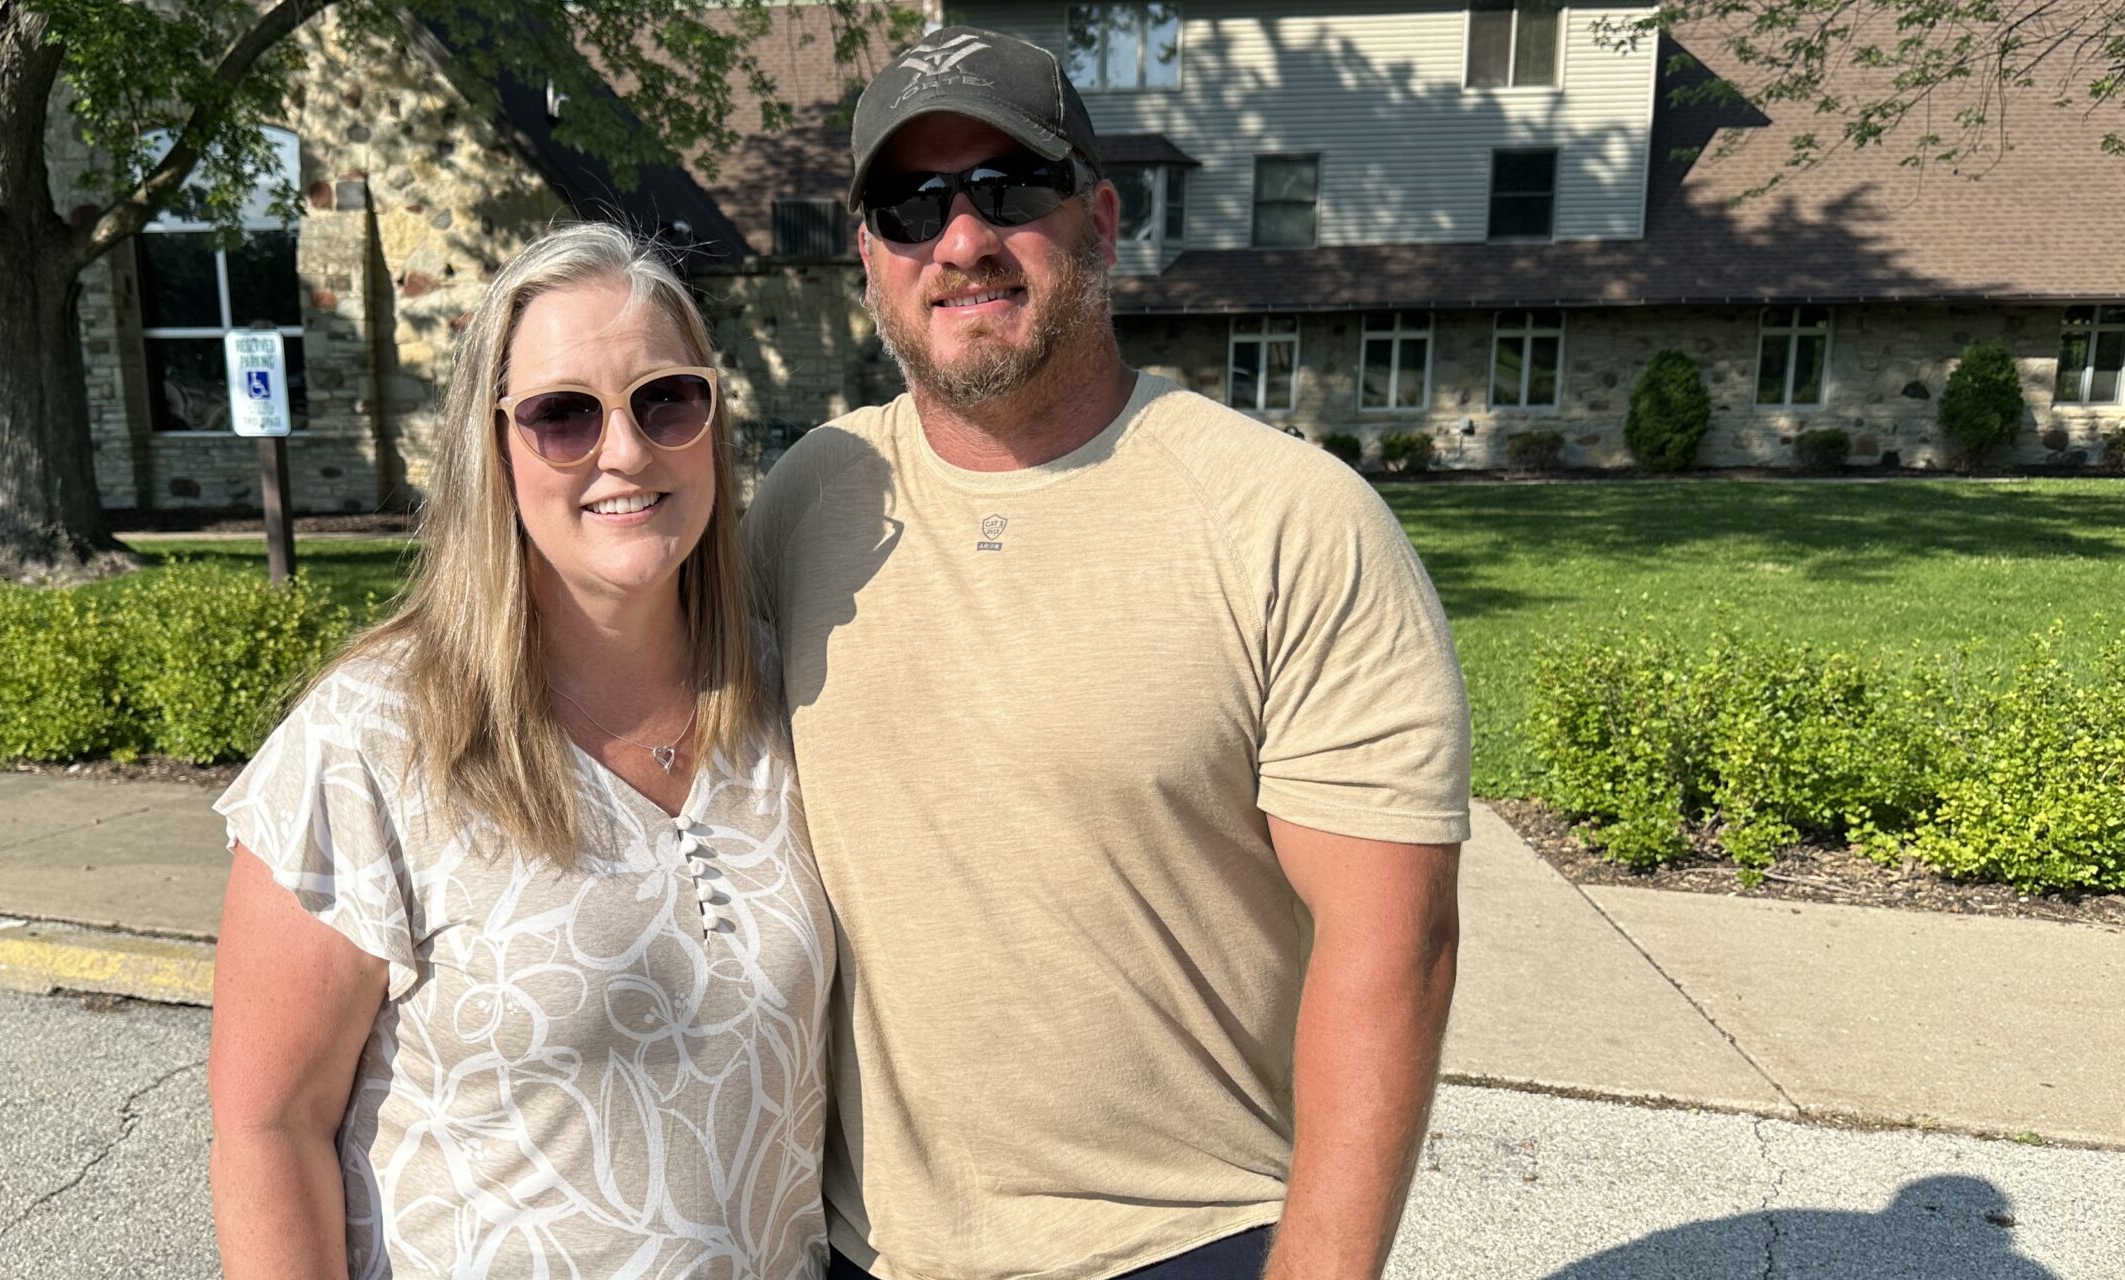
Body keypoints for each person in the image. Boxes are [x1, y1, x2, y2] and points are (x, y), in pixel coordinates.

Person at [742, 26, 1472, 1280]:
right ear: (867, 256)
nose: (960, 241)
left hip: (1185, 1237)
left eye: (1008, 191)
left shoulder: (1286, 521)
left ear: (1103, 218)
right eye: (909, 207)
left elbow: (1392, 941)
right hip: (861, 1243)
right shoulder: (810, 498)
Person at [208, 222, 834, 1280]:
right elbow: (268, 1129)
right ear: (490, 445)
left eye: (665, 398)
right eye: (561, 415)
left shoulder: (786, 701)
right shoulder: (372, 739)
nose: (626, 451)